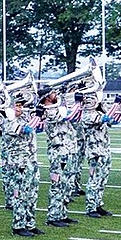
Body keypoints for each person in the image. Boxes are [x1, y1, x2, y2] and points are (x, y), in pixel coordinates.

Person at [1, 97, 43, 236]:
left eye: (21, 106)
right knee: (20, 194)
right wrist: (37, 116)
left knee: (32, 194)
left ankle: (30, 223)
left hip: (31, 160)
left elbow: (39, 128)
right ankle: (18, 225)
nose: (20, 108)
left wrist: (41, 115)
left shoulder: (23, 119)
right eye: (16, 106)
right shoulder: (8, 122)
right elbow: (26, 129)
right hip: (18, 162)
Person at [40, 88, 79, 228]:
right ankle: (53, 216)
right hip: (58, 153)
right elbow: (65, 115)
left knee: (67, 185)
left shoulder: (58, 108)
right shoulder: (48, 111)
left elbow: (75, 117)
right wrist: (76, 102)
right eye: (53, 93)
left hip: (68, 150)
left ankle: (62, 213)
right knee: (57, 186)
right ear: (47, 97)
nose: (55, 95)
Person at [79, 90, 114, 218]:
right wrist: (115, 105)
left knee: (102, 179)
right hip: (94, 152)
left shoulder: (98, 112)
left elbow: (112, 121)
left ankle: (98, 204)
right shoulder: (87, 115)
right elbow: (106, 118)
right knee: (94, 180)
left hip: (104, 150)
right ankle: (90, 207)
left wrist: (103, 106)